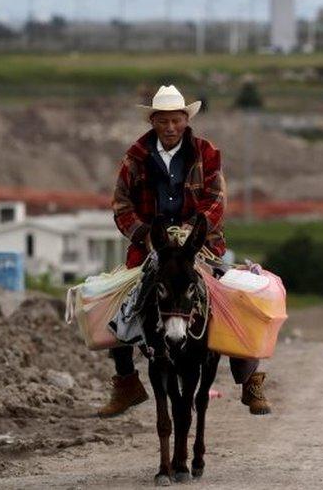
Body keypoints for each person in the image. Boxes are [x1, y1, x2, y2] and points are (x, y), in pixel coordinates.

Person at [97, 85, 272, 418]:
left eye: (176, 120)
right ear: (153, 121)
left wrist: (195, 230)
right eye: (163, 121)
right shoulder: (135, 157)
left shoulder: (205, 153)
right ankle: (126, 382)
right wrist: (145, 235)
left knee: (235, 298)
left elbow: (216, 199)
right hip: (152, 247)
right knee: (117, 304)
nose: (170, 127)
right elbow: (121, 205)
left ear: (185, 119)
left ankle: (250, 380)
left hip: (200, 246)